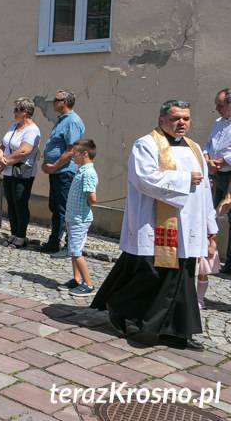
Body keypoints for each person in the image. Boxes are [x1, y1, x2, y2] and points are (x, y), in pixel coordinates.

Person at [91, 100, 217, 351]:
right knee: (152, 275)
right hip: (153, 224)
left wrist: (210, 227)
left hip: (188, 227)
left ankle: (176, 332)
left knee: (181, 279)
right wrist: (184, 179)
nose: (182, 123)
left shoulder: (194, 148)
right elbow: (144, 179)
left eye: (186, 118)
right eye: (175, 118)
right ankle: (119, 306)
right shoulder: (146, 144)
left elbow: (204, 190)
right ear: (161, 120)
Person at [40, 90, 85, 256]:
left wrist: (54, 166)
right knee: (55, 207)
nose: (53, 102)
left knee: (63, 209)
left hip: (65, 172)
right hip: (58, 171)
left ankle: (67, 245)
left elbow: (71, 149)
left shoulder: (72, 121)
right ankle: (54, 241)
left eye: (56, 99)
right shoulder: (63, 120)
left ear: (64, 102)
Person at [0, 97, 41, 249]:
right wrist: (0, 157)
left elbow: (24, 151)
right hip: (8, 170)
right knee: (11, 203)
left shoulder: (32, 130)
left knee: (20, 203)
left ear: (26, 112)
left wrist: (5, 162)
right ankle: (14, 233)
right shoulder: (13, 126)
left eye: (17, 109)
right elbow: (2, 144)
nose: (14, 112)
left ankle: (21, 236)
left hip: (22, 171)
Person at [60, 138, 99, 297]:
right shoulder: (81, 170)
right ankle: (76, 279)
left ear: (85, 154)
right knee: (73, 249)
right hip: (73, 217)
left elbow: (92, 197)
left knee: (76, 252)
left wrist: (88, 203)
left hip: (80, 219)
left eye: (75, 153)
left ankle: (88, 284)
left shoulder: (88, 173)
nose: (72, 156)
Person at [202, 88, 231, 273]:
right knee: (208, 214)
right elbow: (208, 144)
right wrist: (206, 158)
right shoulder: (218, 123)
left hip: (229, 176)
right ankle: (206, 256)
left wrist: (224, 161)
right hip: (214, 175)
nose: (217, 109)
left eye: (220, 105)